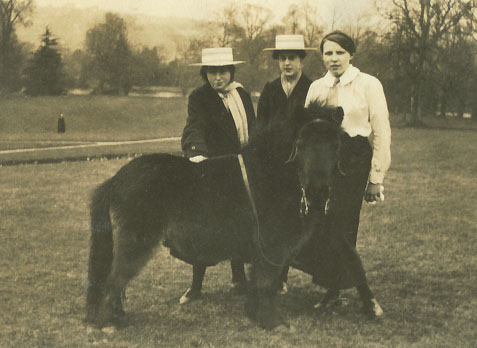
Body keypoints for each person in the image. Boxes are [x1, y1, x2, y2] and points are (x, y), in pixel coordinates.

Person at [305, 30, 391, 315]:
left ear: (351, 54)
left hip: (354, 160)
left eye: (340, 52)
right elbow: (306, 132)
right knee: (322, 225)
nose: (334, 59)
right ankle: (333, 289)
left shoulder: (368, 84)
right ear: (322, 57)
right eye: (328, 53)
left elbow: (381, 131)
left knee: (341, 225)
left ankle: (366, 296)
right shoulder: (317, 87)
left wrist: (375, 178)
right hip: (322, 162)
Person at [179, 47, 256, 304]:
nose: (217, 78)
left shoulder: (241, 94)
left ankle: (239, 277)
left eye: (222, 72)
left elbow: (252, 129)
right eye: (212, 72)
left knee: (241, 222)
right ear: (205, 74)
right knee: (206, 225)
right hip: (212, 168)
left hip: (240, 168)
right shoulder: (199, 98)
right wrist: (196, 153)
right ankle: (196, 285)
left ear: (230, 72)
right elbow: (194, 126)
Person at [258, 34, 316, 294]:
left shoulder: (312, 88)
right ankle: (273, 274)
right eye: (283, 58)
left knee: (293, 220)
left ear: (301, 60)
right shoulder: (270, 89)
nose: (287, 63)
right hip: (273, 166)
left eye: (292, 58)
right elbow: (260, 127)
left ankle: (284, 274)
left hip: (300, 168)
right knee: (271, 219)